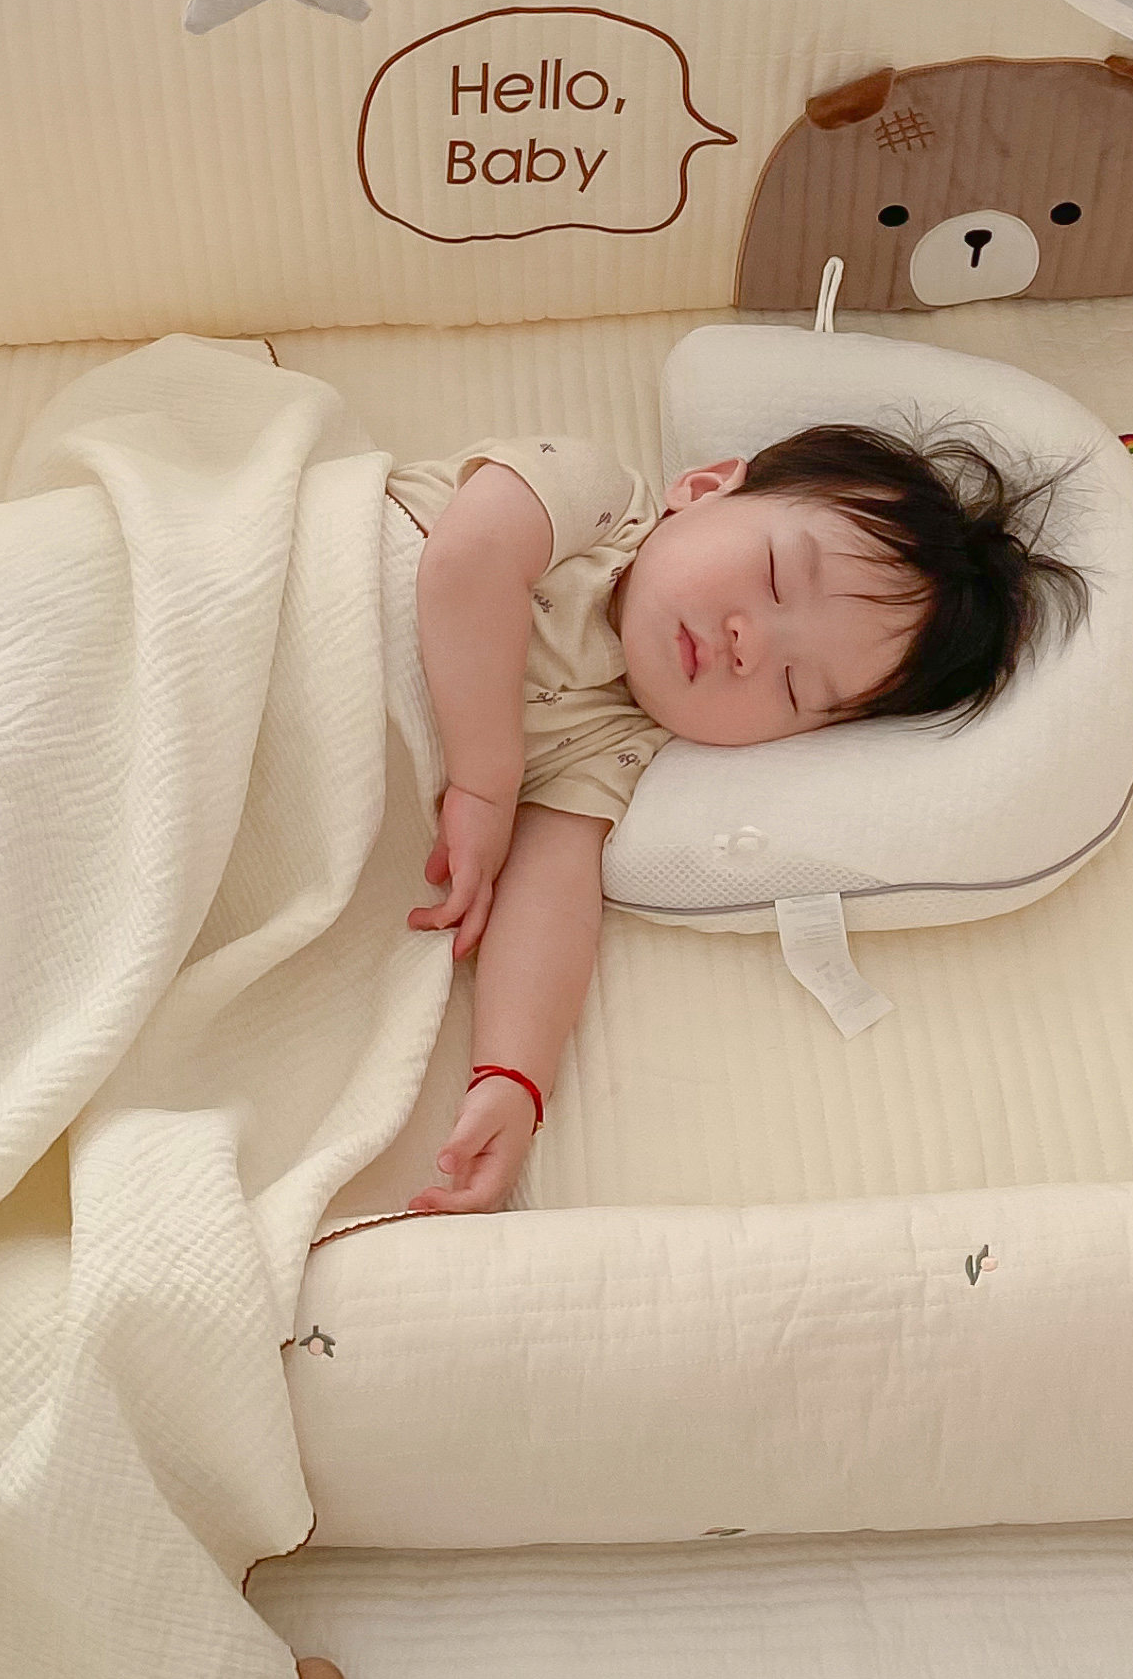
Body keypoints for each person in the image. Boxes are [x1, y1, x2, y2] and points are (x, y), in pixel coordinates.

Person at [393, 421, 1078, 1212]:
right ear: (705, 488)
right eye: (777, 576)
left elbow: (549, 893)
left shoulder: (615, 744)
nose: (750, 644)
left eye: (794, 686)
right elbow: (468, 558)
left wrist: (512, 1077)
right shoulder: (597, 503)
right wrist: (484, 784)